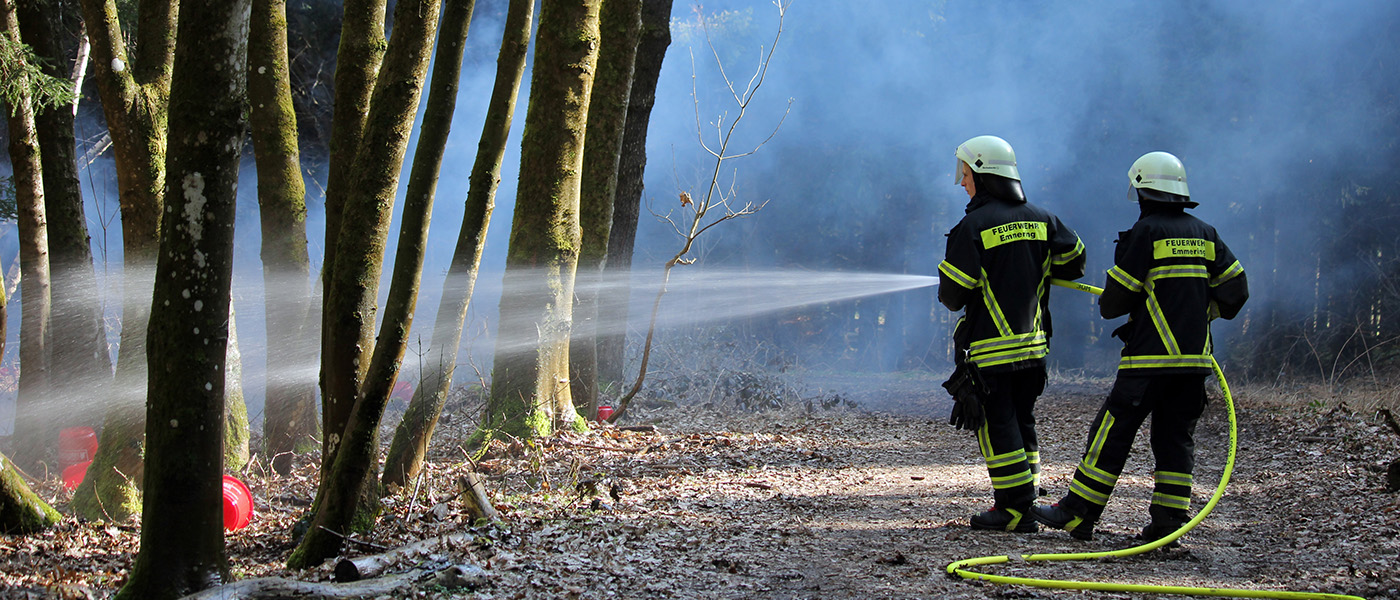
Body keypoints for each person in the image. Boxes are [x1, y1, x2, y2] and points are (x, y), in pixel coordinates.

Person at [1032, 151, 1249, 543]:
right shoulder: (1206, 233)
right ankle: (1168, 525)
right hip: (1193, 364)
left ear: (1142, 192)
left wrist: (1137, 304)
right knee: (1175, 441)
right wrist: (1200, 313)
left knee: (1111, 434)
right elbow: (1236, 290)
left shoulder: (1146, 234)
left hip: (1147, 362)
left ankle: (1078, 512)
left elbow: (1114, 302)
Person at [939, 135, 1086, 532]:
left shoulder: (972, 227)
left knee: (997, 426)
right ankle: (1027, 501)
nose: (963, 183)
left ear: (983, 176)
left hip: (991, 351)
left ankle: (1014, 509)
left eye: (966, 175)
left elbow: (953, 296)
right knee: (1023, 422)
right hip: (1034, 349)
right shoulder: (1043, 218)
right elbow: (1075, 261)